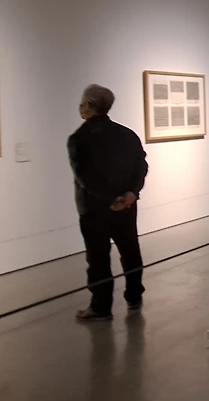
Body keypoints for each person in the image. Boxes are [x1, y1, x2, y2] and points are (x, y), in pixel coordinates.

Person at [68, 84, 149, 322]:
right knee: (130, 250)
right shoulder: (127, 134)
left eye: (82, 103)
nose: (80, 106)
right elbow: (141, 166)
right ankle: (134, 295)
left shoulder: (79, 138)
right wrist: (131, 193)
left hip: (94, 209)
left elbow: (85, 177)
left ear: (88, 106)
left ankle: (101, 306)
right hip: (126, 205)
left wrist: (111, 199)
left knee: (98, 257)